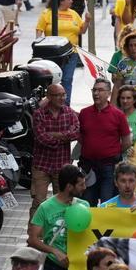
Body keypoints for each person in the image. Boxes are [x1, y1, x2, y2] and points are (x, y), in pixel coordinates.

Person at [28, 164, 89, 270]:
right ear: (69, 187)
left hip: (78, 267)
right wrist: (55, 251)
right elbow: (32, 239)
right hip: (53, 267)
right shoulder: (45, 208)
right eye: (81, 184)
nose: (84, 188)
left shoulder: (84, 206)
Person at [79, 78, 133, 205]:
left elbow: (127, 141)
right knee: (87, 202)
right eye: (94, 90)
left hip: (109, 167)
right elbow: (80, 136)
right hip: (88, 167)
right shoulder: (84, 113)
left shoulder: (118, 115)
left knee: (108, 203)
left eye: (100, 90)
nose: (96, 93)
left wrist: (112, 152)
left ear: (109, 93)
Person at [30, 83, 80, 219]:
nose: (62, 98)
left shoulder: (69, 113)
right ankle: (34, 234)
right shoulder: (39, 114)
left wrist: (55, 135)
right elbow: (42, 138)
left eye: (64, 94)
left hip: (62, 166)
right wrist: (64, 136)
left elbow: (76, 133)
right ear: (49, 97)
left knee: (62, 201)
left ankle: (58, 232)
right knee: (39, 202)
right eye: (58, 95)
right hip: (41, 165)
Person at [37, 0, 88, 103]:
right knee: (51, 80)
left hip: (71, 53)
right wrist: (38, 44)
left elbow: (81, 31)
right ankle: (51, 103)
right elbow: (39, 30)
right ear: (61, 1)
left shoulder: (74, 14)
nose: (72, 1)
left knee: (67, 79)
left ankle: (65, 106)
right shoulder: (47, 13)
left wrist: (87, 21)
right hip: (52, 53)